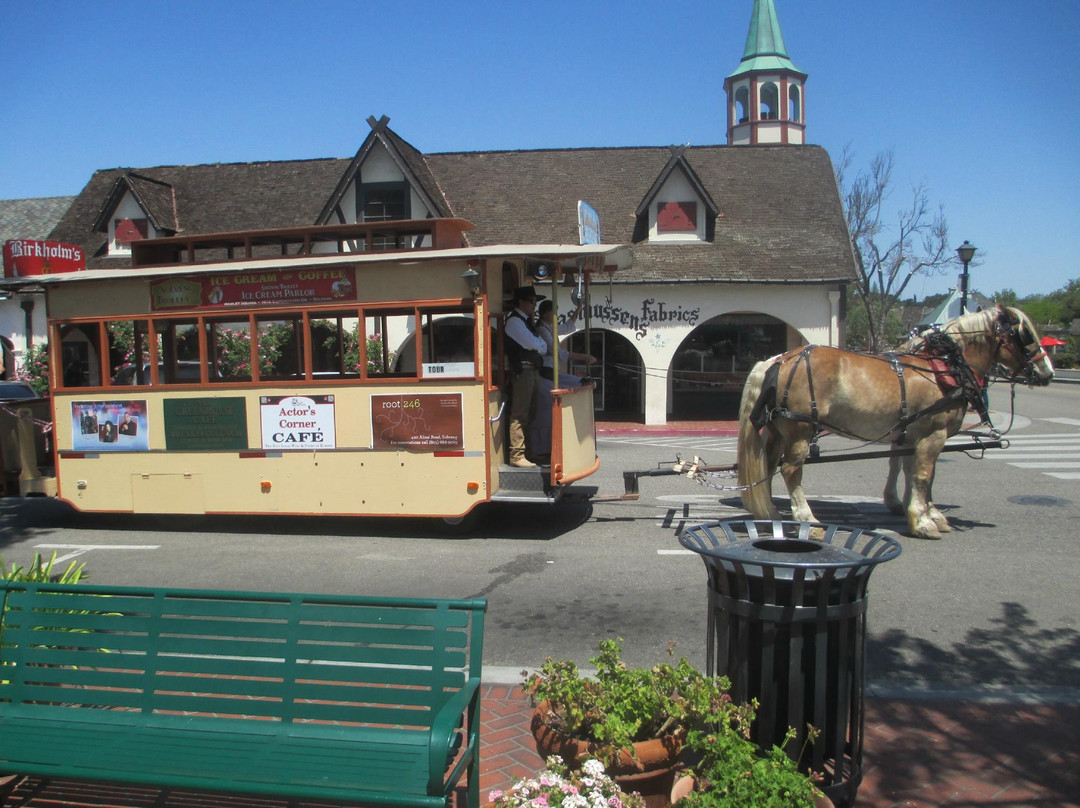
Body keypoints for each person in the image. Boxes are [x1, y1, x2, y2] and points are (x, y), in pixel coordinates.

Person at [527, 299, 597, 461]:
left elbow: (567, 326)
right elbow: (559, 352)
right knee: (546, 413)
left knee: (579, 382)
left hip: (553, 372)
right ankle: (542, 449)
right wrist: (584, 357)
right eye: (554, 311)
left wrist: (578, 309)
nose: (556, 315)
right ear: (545, 313)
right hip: (545, 374)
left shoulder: (550, 327)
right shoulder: (542, 330)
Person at [504, 286, 549, 467]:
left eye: (535, 301)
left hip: (532, 369)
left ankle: (528, 452)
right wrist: (538, 345)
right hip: (523, 370)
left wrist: (538, 345)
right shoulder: (515, 322)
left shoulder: (525, 321)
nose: (534, 305)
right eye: (531, 301)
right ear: (521, 302)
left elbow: (542, 346)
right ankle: (517, 455)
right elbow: (534, 344)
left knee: (531, 412)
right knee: (520, 413)